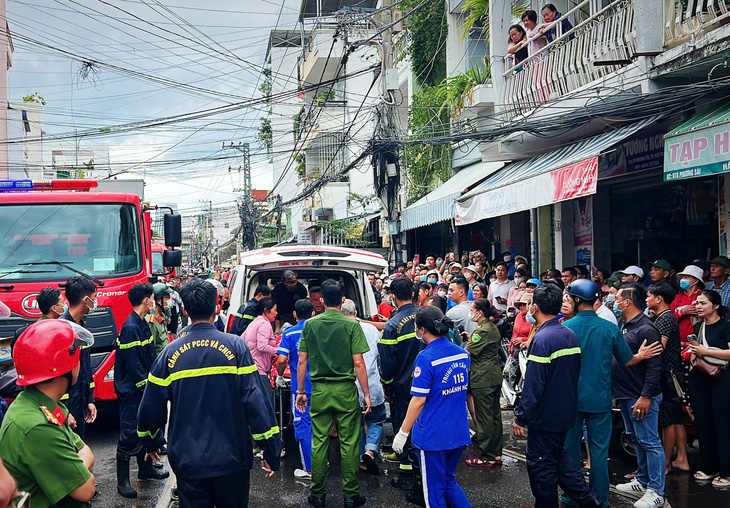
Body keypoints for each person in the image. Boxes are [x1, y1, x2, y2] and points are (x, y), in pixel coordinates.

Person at [137, 279, 281, 507]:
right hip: (232, 459)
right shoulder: (236, 347)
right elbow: (256, 402)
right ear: (216, 306)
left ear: (185, 309)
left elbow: (151, 407)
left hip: (188, 461)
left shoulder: (169, 354)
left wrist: (150, 440)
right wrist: (271, 448)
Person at [562, 280, 661, 507]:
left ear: (576, 300)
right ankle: (600, 499)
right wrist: (641, 355)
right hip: (601, 399)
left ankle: (571, 496)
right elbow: (627, 360)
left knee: (570, 451)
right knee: (598, 453)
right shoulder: (610, 327)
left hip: (571, 400)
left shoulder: (566, 329)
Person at [512, 284, 600, 508]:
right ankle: (590, 500)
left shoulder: (542, 340)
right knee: (561, 462)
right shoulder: (568, 334)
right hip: (565, 413)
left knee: (542, 471)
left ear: (534, 308)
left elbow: (534, 385)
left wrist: (521, 416)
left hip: (546, 417)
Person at [0, 319, 96, 507]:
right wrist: (79, 470)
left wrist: (78, 466)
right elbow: (86, 489)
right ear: (64, 363)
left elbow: (87, 451)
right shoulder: (37, 426)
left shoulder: (41, 405)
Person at [296, 280, 371, 508]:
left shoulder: (310, 325)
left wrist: (300, 391)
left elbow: (302, 359)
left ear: (320, 301)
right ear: (343, 301)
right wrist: (366, 394)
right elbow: (358, 362)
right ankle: (350, 495)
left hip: (319, 389)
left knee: (319, 441)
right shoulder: (351, 325)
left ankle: (317, 494)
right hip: (346, 390)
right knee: (349, 442)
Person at [391, 306, 471, 508]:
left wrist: (403, 432)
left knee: (433, 494)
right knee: (448, 481)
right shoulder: (461, 354)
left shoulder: (426, 358)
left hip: (434, 436)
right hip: (458, 431)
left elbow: (418, 400)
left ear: (421, 330)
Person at [612, 283, 666, 508]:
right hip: (625, 394)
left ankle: (656, 490)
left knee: (650, 441)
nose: (614, 301)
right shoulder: (624, 323)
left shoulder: (646, 328)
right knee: (636, 438)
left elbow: (655, 368)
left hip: (640, 395)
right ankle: (642, 480)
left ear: (627, 302)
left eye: (617, 298)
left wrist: (646, 396)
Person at [114, 283, 168, 498]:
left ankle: (145, 470)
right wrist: (148, 386)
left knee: (144, 429)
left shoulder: (143, 322)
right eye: (152, 298)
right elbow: (134, 365)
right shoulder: (130, 327)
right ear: (146, 300)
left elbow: (149, 356)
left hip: (143, 389)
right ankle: (123, 482)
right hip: (132, 392)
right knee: (129, 435)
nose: (154, 301)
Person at [378, 277, 422, 491]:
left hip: (404, 388)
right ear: (413, 294)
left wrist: (388, 387)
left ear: (393, 297)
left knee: (405, 429)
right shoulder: (428, 316)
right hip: (431, 386)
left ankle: (408, 476)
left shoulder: (393, 325)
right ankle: (422, 474)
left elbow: (387, 363)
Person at [646, 283, 689, 476]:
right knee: (676, 419)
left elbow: (658, 348)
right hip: (672, 373)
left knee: (668, 420)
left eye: (649, 296)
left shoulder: (665, 318)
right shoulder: (663, 317)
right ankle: (682, 459)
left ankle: (665, 463)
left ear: (659, 298)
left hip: (668, 375)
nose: (646, 299)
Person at [688, 290, 730, 486]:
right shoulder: (698, 327)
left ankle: (727, 472)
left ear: (715, 306)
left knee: (722, 424)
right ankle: (709, 467)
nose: (698, 306)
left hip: (721, 380)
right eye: (697, 303)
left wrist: (706, 351)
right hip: (699, 379)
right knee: (703, 424)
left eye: (703, 303)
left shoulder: (725, 327)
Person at [342, 299, 386, 476]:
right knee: (376, 419)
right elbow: (379, 354)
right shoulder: (371, 329)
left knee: (356, 424)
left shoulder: (341, 330)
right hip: (372, 383)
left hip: (350, 385)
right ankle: (370, 450)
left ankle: (361, 459)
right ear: (356, 311)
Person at [276, 299, 315, 480]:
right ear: (313, 313)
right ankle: (321, 462)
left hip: (301, 390)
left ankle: (309, 469)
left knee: (303, 426)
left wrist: (280, 376)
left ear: (294, 314)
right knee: (321, 426)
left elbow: (282, 360)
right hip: (323, 386)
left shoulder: (290, 333)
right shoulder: (320, 330)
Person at [463, 298, 503, 468]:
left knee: (484, 417)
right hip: (493, 376)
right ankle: (496, 452)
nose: (471, 313)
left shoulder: (483, 331)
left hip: (483, 378)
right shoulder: (491, 328)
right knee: (494, 416)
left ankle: (486, 455)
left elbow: (468, 352)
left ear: (480, 313)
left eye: (472, 310)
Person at [61, 276, 97, 439]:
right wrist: (63, 412)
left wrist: (89, 399)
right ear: (86, 300)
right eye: (94, 298)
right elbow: (56, 377)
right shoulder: (61, 330)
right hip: (65, 411)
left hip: (80, 404)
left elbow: (85, 368)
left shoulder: (82, 328)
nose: (96, 303)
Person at [242, 297, 278, 407]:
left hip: (250, 369)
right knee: (267, 407)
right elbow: (262, 346)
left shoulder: (254, 323)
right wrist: (279, 351)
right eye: (275, 310)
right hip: (260, 372)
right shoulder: (264, 324)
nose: (276, 313)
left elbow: (241, 341)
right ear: (266, 310)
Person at [671, 265, 704, 348]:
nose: (682, 280)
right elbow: (669, 319)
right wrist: (682, 312)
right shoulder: (677, 297)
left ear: (696, 281)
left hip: (699, 343)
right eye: (682, 277)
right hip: (677, 343)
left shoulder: (703, 297)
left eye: (686, 277)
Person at [150, 282, 172, 355]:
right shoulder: (152, 321)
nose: (169, 301)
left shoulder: (162, 317)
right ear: (159, 301)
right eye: (167, 298)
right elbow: (151, 349)